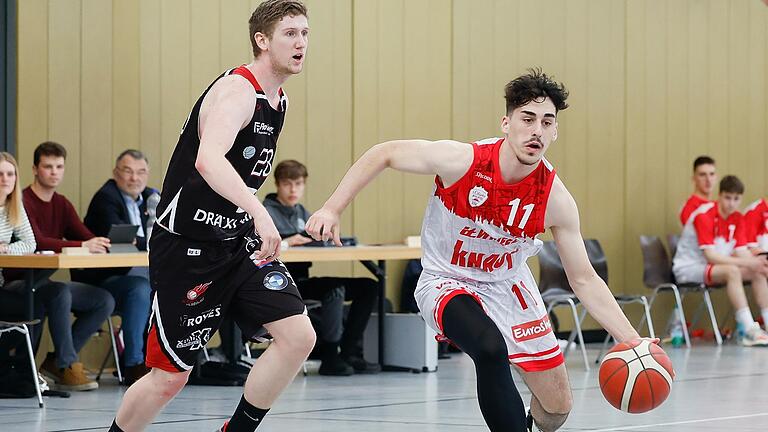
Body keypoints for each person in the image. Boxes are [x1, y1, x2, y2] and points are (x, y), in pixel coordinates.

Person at [306, 69, 649, 432]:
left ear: (555, 132)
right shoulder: (463, 161)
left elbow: (583, 279)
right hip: (446, 280)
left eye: (547, 122)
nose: (537, 130)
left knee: (557, 407)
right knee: (489, 348)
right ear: (507, 123)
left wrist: (633, 340)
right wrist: (332, 207)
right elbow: (385, 153)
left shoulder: (555, 199)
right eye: (527, 119)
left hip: (508, 285)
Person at [107, 1, 312, 431]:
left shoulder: (279, 100)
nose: (301, 43)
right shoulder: (238, 91)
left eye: (305, 33)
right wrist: (259, 209)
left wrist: (248, 217)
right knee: (169, 378)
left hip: (236, 243)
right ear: (262, 40)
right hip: (187, 245)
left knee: (298, 338)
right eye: (290, 34)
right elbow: (208, 160)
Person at [13, 142, 115, 390]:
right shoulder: (22, 200)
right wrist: (84, 244)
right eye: (48, 166)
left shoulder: (62, 203)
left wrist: (98, 242)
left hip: (46, 281)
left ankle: (57, 362)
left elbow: (85, 236)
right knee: (58, 292)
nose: (54, 172)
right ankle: (68, 364)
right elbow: (37, 240)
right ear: (35, 169)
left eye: (59, 166)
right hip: (20, 280)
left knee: (103, 300)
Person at [263, 159, 379, 375]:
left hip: (304, 280)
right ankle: (330, 357)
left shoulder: (302, 213)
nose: (293, 189)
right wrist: (288, 240)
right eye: (288, 184)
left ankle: (348, 353)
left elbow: (317, 238)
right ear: (277, 184)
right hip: (280, 283)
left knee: (369, 286)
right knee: (334, 290)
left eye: (298, 184)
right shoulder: (265, 212)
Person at [68, 148, 156, 385]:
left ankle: (171, 361)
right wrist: (146, 241)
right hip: (103, 279)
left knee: (168, 287)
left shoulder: (152, 197)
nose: (134, 178)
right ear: (116, 173)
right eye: (127, 172)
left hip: (140, 273)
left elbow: (167, 234)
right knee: (139, 289)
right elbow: (119, 237)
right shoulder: (106, 197)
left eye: (140, 172)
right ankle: (134, 365)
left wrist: (144, 241)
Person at [672, 175, 768, 344]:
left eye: (736, 199)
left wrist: (759, 263)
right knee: (731, 271)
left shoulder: (737, 218)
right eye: (727, 198)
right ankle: (749, 330)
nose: (731, 203)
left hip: (711, 267)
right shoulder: (704, 215)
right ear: (720, 195)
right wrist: (749, 262)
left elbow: (741, 252)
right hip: (689, 268)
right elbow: (711, 256)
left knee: (757, 271)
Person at [679, 156, 717, 226]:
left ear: (716, 177)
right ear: (694, 178)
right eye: (702, 175)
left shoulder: (719, 205)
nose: (708, 179)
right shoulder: (689, 208)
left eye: (712, 174)